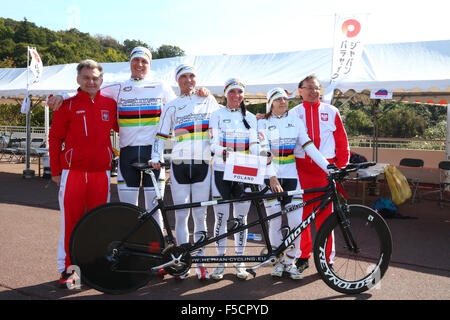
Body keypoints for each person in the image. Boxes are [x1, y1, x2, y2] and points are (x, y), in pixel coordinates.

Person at [47, 47, 207, 231]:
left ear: (149, 64)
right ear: (130, 62)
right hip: (127, 156)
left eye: (144, 61)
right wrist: (62, 95)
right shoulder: (118, 86)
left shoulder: (160, 86)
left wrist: (199, 93)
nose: (140, 64)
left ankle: (156, 252)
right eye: (136, 60)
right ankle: (130, 253)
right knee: (128, 211)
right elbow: (89, 88)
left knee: (155, 209)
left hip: (153, 155)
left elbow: (180, 106)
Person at [49, 59, 118, 288]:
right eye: (86, 78)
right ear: (78, 80)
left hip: (101, 173)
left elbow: (128, 127)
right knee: (71, 222)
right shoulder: (66, 104)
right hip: (73, 173)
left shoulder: (110, 104)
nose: (91, 81)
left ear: (101, 80)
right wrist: (56, 170)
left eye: (95, 78)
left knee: (98, 223)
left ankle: (93, 266)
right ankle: (69, 271)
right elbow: (55, 138)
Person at [150, 64, 221, 280]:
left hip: (202, 164)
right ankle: (182, 261)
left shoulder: (208, 100)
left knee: (200, 216)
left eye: (192, 76)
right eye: (184, 77)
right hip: (179, 165)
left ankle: (200, 263)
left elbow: (221, 126)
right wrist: (156, 157)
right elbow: (160, 136)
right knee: (181, 216)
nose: (188, 80)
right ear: (177, 80)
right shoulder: (171, 106)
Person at [258, 87, 332, 279]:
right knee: (274, 222)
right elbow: (263, 150)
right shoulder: (263, 123)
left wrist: (328, 167)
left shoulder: (295, 121)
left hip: (291, 176)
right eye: (278, 99)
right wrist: (272, 176)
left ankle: (290, 262)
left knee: (296, 222)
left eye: (285, 98)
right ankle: (279, 260)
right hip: (269, 177)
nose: (283, 102)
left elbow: (309, 147)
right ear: (270, 103)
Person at [289, 75, 349, 272]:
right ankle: (303, 256)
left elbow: (341, 140)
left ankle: (326, 259)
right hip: (301, 170)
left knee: (326, 217)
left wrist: (341, 166)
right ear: (300, 91)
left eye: (316, 88)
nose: (313, 92)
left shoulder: (332, 111)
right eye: (309, 88)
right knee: (303, 217)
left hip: (325, 170)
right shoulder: (292, 113)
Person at [208, 78, 259, 280]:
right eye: (232, 92)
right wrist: (231, 153)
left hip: (243, 170)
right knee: (220, 217)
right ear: (225, 94)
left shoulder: (252, 117)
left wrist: (259, 155)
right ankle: (220, 260)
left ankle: (240, 260)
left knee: (241, 218)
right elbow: (213, 144)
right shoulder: (216, 115)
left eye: (239, 92)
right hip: (221, 170)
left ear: (243, 95)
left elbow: (254, 144)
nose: (236, 96)